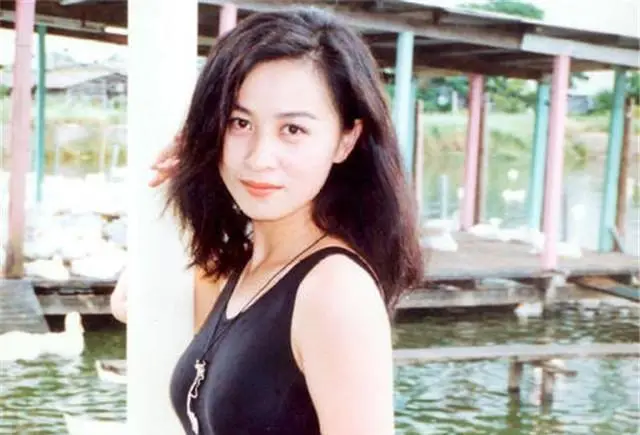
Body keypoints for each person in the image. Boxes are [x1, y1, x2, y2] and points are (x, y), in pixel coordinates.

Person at [112, 7, 423, 435]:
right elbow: (134, 299)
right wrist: (196, 164)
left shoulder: (334, 291)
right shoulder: (244, 269)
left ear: (345, 140)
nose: (259, 158)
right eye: (239, 123)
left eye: (292, 130)